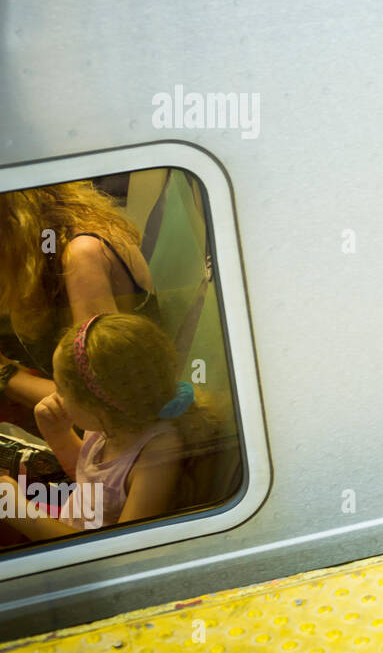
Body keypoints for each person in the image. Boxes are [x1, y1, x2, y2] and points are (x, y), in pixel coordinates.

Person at [0, 313, 224, 541]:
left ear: (95, 404)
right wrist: (58, 434)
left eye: (61, 390)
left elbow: (124, 549)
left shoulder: (157, 453)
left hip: (85, 560)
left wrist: (20, 511)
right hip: (71, 526)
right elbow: (92, 484)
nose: (57, 397)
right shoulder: (108, 423)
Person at [0, 183, 158, 414]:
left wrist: (6, 375)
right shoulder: (50, 238)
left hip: (124, 424)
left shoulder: (83, 254)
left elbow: (101, 403)